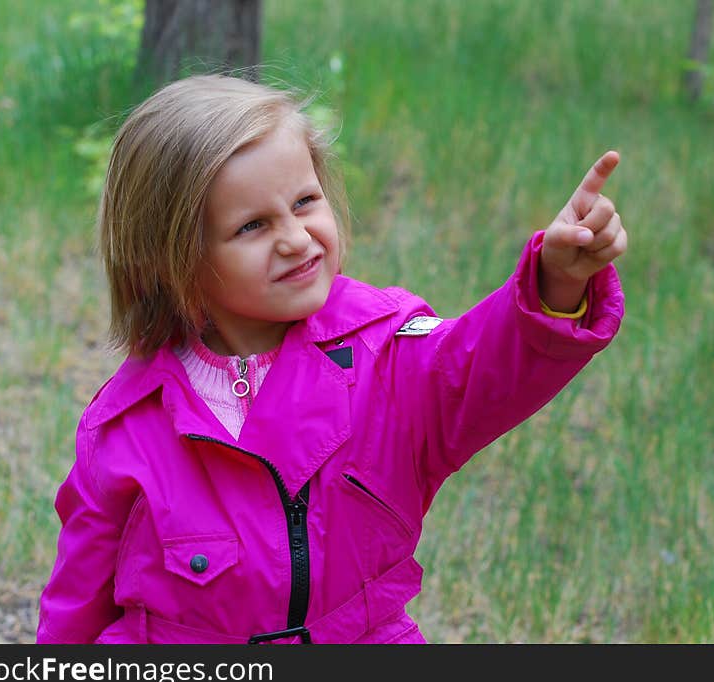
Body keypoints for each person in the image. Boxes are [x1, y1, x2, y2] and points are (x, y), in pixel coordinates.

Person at [36, 73, 627, 644]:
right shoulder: (125, 427)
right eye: (252, 226)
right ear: (173, 259)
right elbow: (76, 611)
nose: (296, 237)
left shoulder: (385, 355)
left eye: (304, 201)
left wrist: (555, 282)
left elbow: (483, 368)